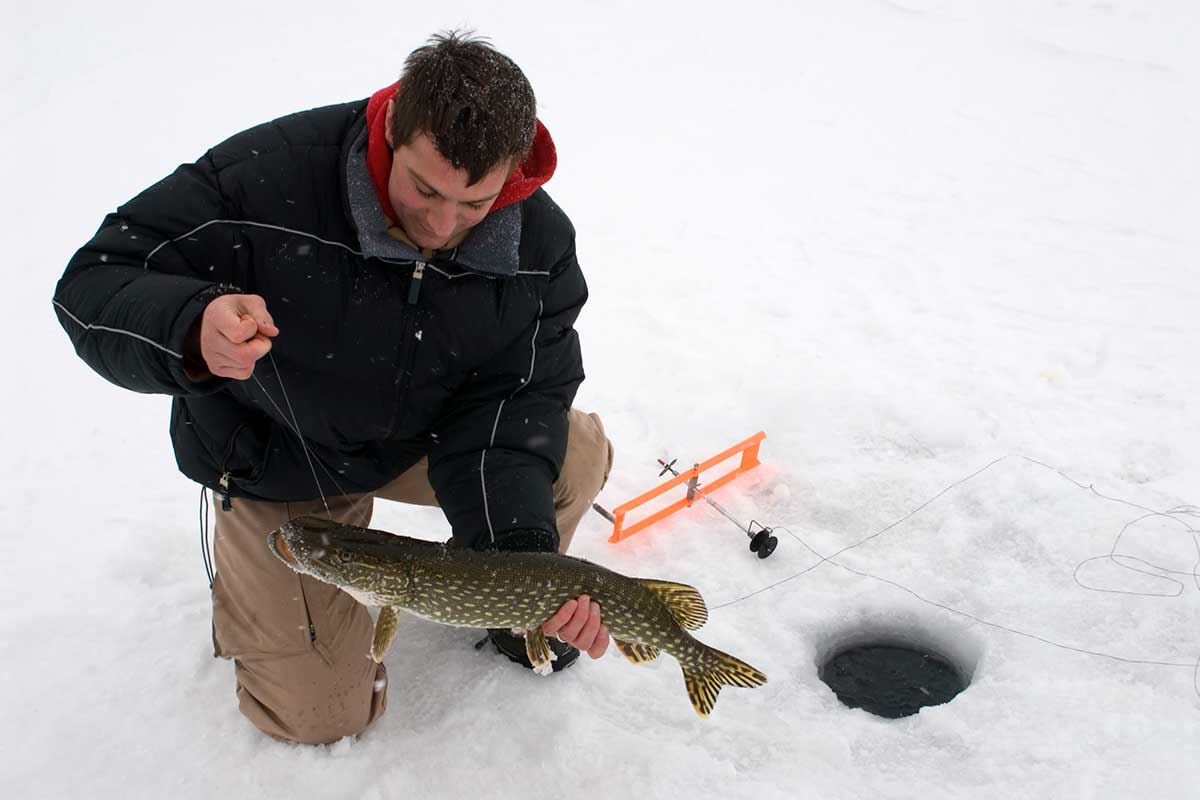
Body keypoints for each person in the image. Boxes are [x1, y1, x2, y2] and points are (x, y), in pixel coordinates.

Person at [52, 31, 615, 745]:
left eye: (474, 204)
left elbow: (515, 402)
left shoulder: (538, 245)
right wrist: (190, 326)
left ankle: (510, 617)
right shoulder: (263, 178)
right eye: (423, 188)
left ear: (513, 173)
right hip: (284, 455)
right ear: (390, 126)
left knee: (571, 454)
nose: (441, 226)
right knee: (318, 719)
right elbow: (93, 281)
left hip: (429, 437)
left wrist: (519, 562)